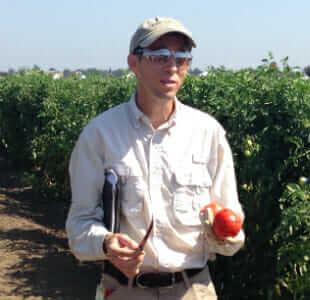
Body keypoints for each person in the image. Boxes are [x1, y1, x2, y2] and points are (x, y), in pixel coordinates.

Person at [66, 16, 245, 300]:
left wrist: (224, 233)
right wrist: (106, 243)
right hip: (125, 290)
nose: (172, 66)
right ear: (133, 63)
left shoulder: (208, 133)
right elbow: (78, 226)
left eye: (182, 57)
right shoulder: (99, 135)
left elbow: (232, 225)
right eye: (160, 55)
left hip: (193, 289)